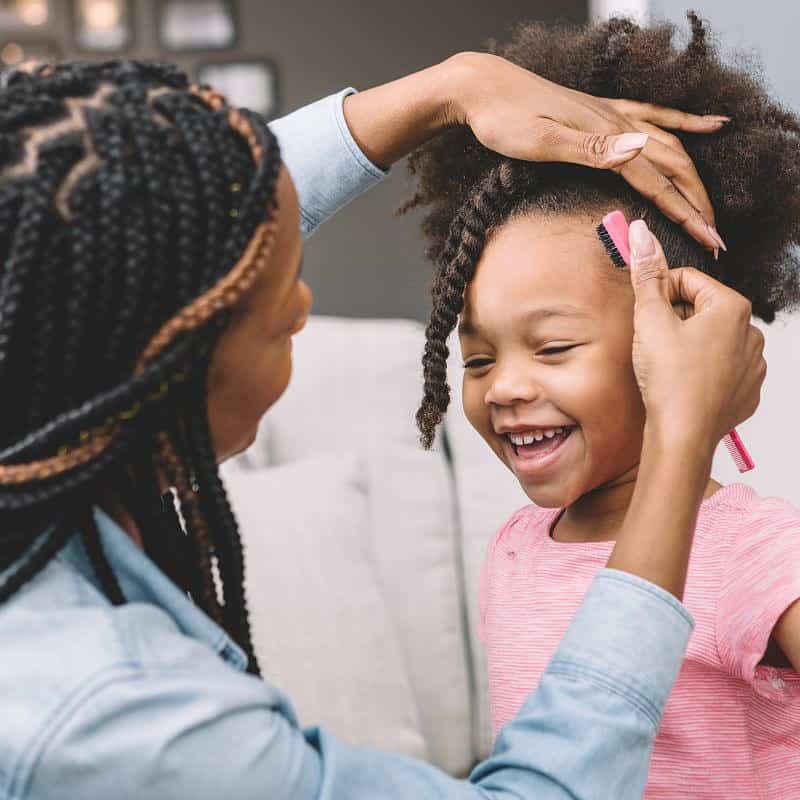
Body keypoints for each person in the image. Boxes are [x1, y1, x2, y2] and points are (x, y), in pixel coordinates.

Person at [0, 47, 762, 799]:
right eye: (278, 322)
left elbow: (170, 237)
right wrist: (678, 432)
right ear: (162, 369)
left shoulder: (31, 382)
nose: (302, 304)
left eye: (554, 346)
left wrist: (454, 87)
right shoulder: (98, 710)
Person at [408, 15, 799, 799]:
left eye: (552, 349)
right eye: (479, 359)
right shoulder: (518, 546)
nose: (507, 386)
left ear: (676, 336)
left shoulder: (751, 551)